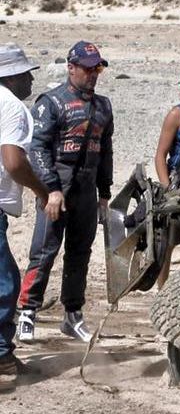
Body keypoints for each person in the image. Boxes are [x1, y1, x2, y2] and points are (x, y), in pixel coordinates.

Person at [17, 41, 114, 344]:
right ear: (71, 68)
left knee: (80, 252)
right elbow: (38, 148)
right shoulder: (51, 102)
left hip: (86, 189)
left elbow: (106, 151)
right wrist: (51, 189)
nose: (93, 74)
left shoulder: (104, 106)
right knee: (44, 251)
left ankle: (73, 315)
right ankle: (27, 312)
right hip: (57, 187)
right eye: (88, 68)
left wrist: (104, 193)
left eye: (98, 68)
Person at [0, 44, 51, 388]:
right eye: (26, 74)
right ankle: (1, 357)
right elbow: (14, 162)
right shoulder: (12, 107)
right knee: (5, 283)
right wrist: (41, 190)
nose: (31, 80)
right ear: (12, 77)